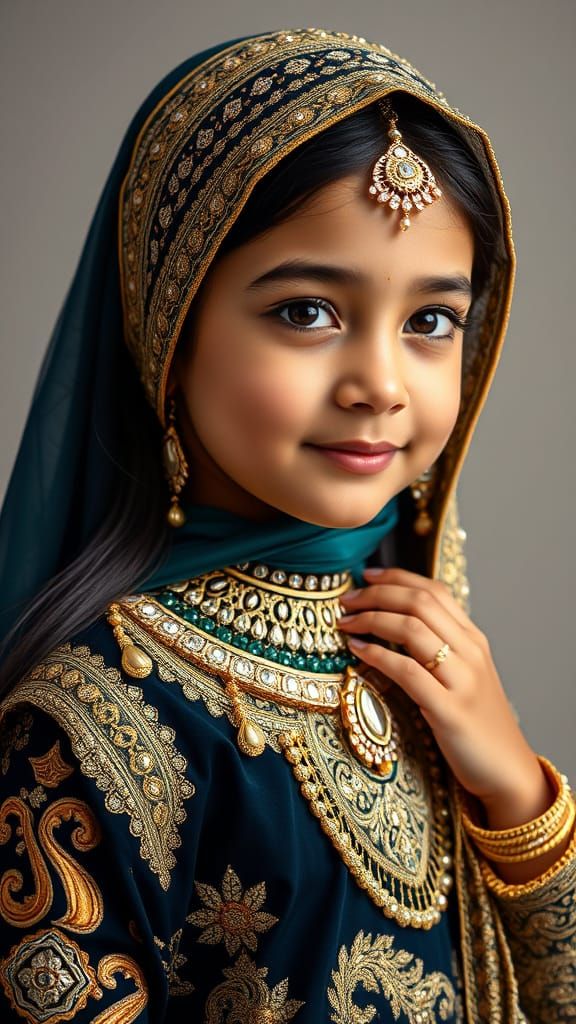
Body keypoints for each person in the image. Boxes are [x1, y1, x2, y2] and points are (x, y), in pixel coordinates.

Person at [0, 25, 573, 1023]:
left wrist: (521, 799)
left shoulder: (423, 656)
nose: (380, 386)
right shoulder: (84, 725)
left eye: (430, 321)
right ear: (170, 332)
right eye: (308, 311)